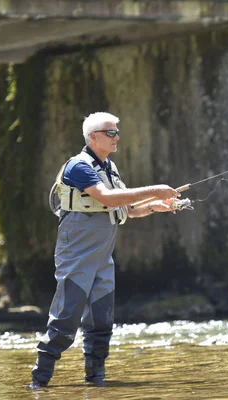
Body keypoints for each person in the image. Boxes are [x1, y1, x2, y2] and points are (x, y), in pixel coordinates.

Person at [30, 112, 181, 389]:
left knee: (102, 323)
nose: (117, 137)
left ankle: (95, 381)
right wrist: (156, 189)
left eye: (116, 132)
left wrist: (153, 206)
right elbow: (107, 197)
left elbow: (125, 209)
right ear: (93, 137)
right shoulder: (78, 166)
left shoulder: (109, 167)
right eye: (111, 133)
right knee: (65, 321)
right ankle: (39, 382)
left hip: (103, 258)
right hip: (77, 255)